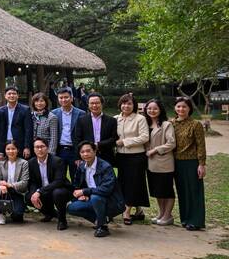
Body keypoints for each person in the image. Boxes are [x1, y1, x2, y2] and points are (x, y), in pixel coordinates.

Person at [67, 141, 125, 237]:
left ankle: (102, 227)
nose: (85, 154)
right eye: (82, 152)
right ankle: (100, 220)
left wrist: (85, 191)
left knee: (96, 197)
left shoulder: (105, 167)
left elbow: (106, 189)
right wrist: (83, 195)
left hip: (112, 202)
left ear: (95, 151)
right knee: (71, 208)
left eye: (88, 151)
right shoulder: (81, 167)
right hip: (92, 198)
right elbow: (76, 185)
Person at [114, 93, 151, 225]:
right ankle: (139, 210)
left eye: (129, 103)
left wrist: (124, 141)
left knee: (133, 183)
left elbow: (144, 137)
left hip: (136, 156)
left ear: (134, 105)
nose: (126, 106)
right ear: (120, 104)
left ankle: (126, 211)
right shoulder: (115, 119)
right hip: (121, 157)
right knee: (123, 183)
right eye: (124, 103)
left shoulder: (140, 119)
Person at [172, 96, 207, 231]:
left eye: (184, 106)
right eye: (178, 106)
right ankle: (185, 219)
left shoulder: (195, 124)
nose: (181, 109)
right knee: (182, 192)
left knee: (194, 191)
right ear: (175, 108)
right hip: (176, 162)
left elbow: (201, 145)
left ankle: (196, 220)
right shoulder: (172, 123)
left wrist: (201, 164)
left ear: (189, 108)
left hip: (192, 162)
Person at [143, 99, 176, 226]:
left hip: (164, 163)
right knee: (157, 190)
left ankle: (168, 216)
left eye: (155, 108)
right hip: (151, 164)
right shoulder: (145, 124)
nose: (152, 111)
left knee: (166, 190)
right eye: (149, 108)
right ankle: (161, 213)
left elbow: (171, 143)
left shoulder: (166, 125)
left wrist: (156, 150)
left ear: (160, 110)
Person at [27, 137, 73, 231]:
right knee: (29, 197)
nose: (39, 149)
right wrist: (33, 194)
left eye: (42, 146)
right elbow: (32, 182)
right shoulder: (31, 163)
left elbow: (59, 181)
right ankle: (50, 214)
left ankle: (62, 220)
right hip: (44, 191)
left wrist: (39, 191)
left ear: (47, 148)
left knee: (57, 193)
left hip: (61, 190)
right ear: (34, 149)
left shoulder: (57, 161)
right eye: (37, 147)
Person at [51, 87, 86, 180]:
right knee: (59, 177)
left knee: (76, 177)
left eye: (66, 97)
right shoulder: (53, 113)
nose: (63, 100)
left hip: (74, 150)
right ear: (58, 99)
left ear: (72, 98)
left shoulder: (81, 113)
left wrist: (80, 154)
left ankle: (76, 193)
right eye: (61, 98)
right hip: (59, 150)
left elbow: (84, 134)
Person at [73, 93, 118, 165]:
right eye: (92, 103)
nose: (94, 105)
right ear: (88, 104)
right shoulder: (81, 120)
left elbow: (114, 138)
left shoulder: (111, 120)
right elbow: (77, 139)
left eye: (97, 103)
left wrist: (98, 145)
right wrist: (78, 157)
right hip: (86, 156)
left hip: (106, 156)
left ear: (102, 104)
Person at [0, 142, 29, 225]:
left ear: (17, 150)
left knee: (17, 217)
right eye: (8, 149)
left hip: (17, 191)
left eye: (13, 149)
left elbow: (24, 182)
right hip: (4, 190)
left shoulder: (24, 163)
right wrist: (1, 184)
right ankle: (1, 214)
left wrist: (10, 185)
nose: (11, 151)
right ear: (5, 151)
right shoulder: (1, 163)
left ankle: (13, 210)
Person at [0, 86, 33, 160]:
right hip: (5, 143)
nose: (11, 95)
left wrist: (27, 147)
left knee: (21, 167)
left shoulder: (25, 110)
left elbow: (28, 129)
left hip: (20, 143)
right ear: (5, 96)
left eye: (14, 93)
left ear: (17, 95)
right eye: (9, 94)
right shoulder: (0, 110)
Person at [31, 92, 59, 158]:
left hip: (46, 150)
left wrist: (50, 154)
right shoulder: (31, 115)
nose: (39, 103)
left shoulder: (52, 117)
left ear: (46, 102)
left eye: (41, 101)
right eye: (36, 101)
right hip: (33, 150)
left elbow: (54, 138)